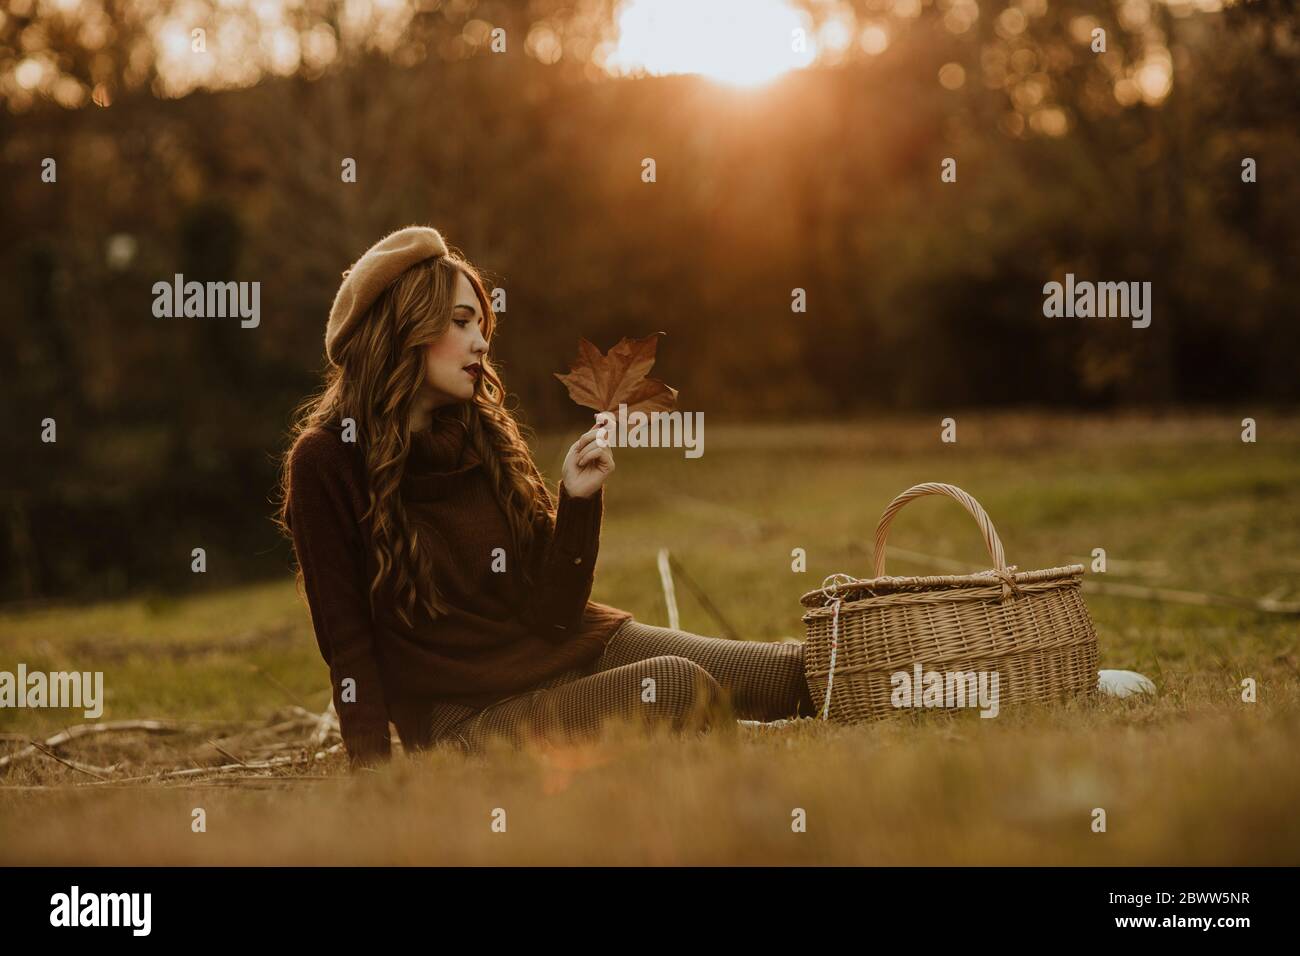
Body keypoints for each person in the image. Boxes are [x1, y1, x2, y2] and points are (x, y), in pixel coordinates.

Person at [276, 226, 815, 770]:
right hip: (468, 720)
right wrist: (376, 779)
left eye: (481, 325)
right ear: (402, 328)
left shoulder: (481, 433)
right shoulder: (326, 462)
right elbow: (348, 649)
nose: (482, 342)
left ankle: (898, 679)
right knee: (677, 685)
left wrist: (577, 504)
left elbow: (553, 617)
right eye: (461, 323)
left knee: (794, 669)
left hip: (564, 652)